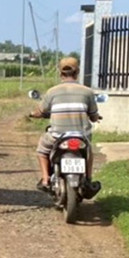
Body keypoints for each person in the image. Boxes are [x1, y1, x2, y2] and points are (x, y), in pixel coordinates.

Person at [31, 56, 100, 192]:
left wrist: (34, 114)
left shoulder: (52, 91)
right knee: (89, 152)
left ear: (60, 72)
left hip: (57, 136)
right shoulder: (87, 92)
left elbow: (41, 110)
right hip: (81, 136)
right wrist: (95, 116)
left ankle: (45, 179)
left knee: (42, 151)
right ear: (77, 72)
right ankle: (88, 180)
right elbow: (93, 116)